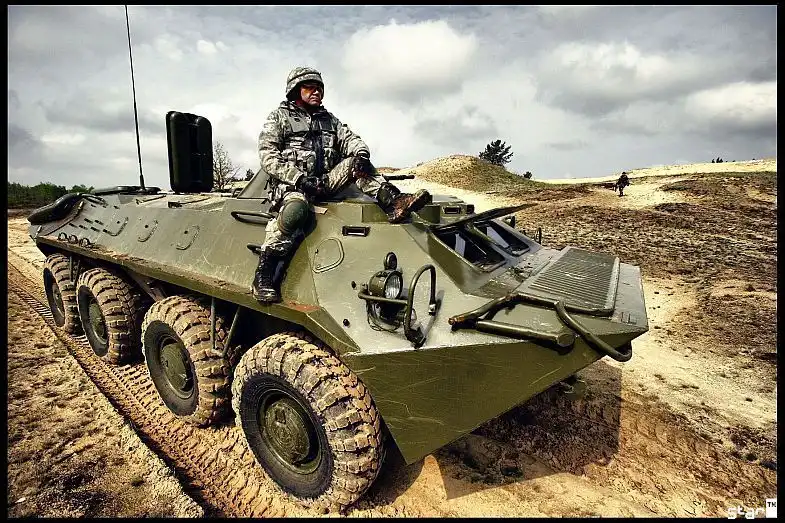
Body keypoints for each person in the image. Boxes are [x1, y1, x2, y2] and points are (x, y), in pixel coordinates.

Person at [251, 66, 432, 303]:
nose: (317, 92)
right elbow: (268, 156)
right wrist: (299, 179)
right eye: (310, 87)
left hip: (325, 182)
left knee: (357, 163)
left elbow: (350, 139)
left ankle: (394, 202)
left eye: (320, 88)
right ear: (296, 90)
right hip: (293, 184)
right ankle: (263, 276)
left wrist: (361, 154)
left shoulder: (329, 120)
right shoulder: (279, 117)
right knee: (295, 211)